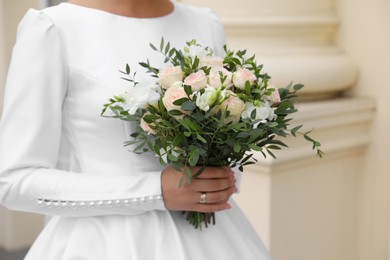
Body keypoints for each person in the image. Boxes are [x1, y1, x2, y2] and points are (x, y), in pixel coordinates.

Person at [0, 0, 272, 259]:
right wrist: (156, 190)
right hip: (102, 243)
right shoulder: (54, 28)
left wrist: (220, 177)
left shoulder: (205, 22)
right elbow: (14, 181)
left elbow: (227, 127)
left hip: (214, 237)